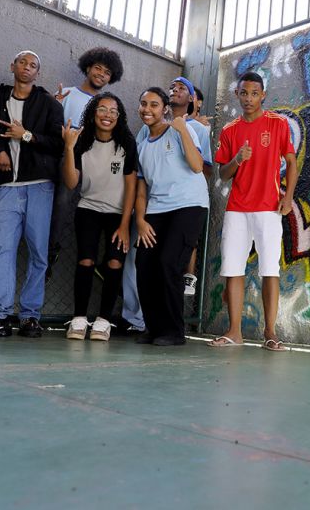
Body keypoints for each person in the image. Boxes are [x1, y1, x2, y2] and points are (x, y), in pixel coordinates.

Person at [0, 51, 63, 337]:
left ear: (38, 73)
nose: (27, 68)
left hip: (40, 185)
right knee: (2, 250)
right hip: (5, 187)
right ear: (12, 66)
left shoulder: (48, 105)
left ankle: (30, 317)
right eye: (22, 62)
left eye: (33, 65)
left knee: (38, 253)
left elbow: (58, 144)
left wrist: (26, 135)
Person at [209, 72, 298, 351]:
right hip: (237, 209)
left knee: (270, 270)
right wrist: (237, 159)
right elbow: (223, 174)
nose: (248, 98)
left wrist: (289, 197)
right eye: (244, 93)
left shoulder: (278, 123)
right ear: (237, 94)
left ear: (263, 95)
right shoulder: (230, 131)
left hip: (269, 209)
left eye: (254, 93)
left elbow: (292, 163)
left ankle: (270, 333)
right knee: (232, 270)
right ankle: (234, 332)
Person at [134, 84, 208, 346]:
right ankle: (154, 328)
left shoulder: (180, 130)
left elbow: (198, 166)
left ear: (165, 109)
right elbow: (141, 190)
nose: (147, 109)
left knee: (168, 263)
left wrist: (182, 130)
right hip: (156, 209)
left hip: (188, 205)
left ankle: (174, 332)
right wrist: (140, 220)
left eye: (154, 105)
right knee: (144, 265)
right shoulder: (141, 143)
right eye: (144, 104)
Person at [62, 93, 137, 342]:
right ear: (94, 113)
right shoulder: (82, 141)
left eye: (113, 111)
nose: (107, 115)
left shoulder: (126, 143)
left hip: (117, 214)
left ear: (119, 116)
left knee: (115, 263)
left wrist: (126, 224)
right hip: (88, 209)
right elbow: (72, 182)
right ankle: (80, 318)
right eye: (102, 109)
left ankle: (104, 321)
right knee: (86, 260)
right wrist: (69, 148)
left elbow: (131, 188)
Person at [47, 47, 124, 279]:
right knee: (61, 200)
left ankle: (107, 260)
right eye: (98, 68)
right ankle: (50, 251)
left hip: (97, 165)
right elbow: (50, 127)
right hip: (66, 158)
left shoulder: (107, 105)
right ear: (88, 67)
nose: (101, 74)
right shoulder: (66, 94)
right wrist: (54, 106)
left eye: (107, 72)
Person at [169, 79, 213, 297]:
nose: (175, 90)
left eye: (182, 89)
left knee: (187, 244)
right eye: (172, 87)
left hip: (189, 202)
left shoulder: (200, 130)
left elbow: (205, 167)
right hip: (162, 203)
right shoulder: (158, 126)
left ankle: (189, 276)